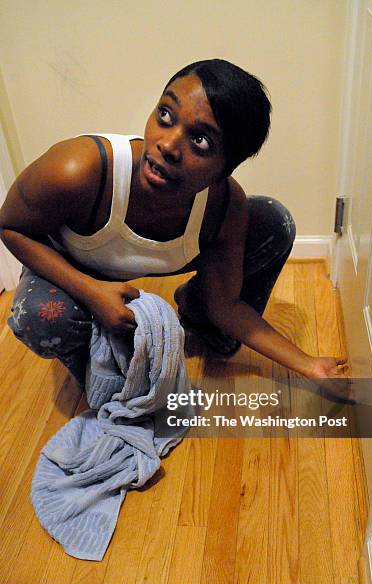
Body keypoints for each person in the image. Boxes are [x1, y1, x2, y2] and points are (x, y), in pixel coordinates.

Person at [0, 59, 347, 387]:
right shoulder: (80, 167)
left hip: (158, 266)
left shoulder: (223, 205)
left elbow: (226, 307)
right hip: (69, 266)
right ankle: (92, 357)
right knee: (44, 318)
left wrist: (308, 364)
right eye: (165, 114)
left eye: (200, 140)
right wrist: (91, 292)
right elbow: (10, 226)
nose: (167, 145)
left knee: (273, 221)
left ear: (226, 167)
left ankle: (196, 310)